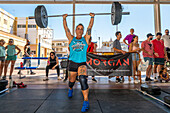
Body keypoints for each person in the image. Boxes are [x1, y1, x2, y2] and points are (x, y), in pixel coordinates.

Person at [63, 12, 94, 112]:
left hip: (82, 63)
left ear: (83, 31)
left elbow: (90, 27)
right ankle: (71, 88)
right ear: (76, 30)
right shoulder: (71, 38)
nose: (80, 30)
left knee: (83, 79)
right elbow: (66, 28)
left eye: (81, 29)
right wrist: (64, 19)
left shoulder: (85, 38)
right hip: (72, 63)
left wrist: (92, 17)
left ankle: (85, 101)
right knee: (71, 81)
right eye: (78, 28)